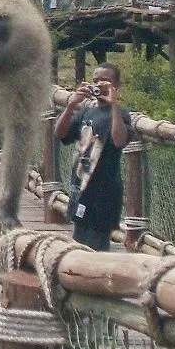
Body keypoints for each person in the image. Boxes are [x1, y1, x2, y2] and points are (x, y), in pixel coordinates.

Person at [54, 63, 132, 251]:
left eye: (105, 81)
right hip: (80, 190)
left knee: (96, 248)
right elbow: (61, 134)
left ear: (116, 85)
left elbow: (119, 140)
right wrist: (72, 104)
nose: (99, 84)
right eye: (95, 80)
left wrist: (113, 104)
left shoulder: (121, 114)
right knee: (78, 243)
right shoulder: (86, 111)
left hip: (104, 195)